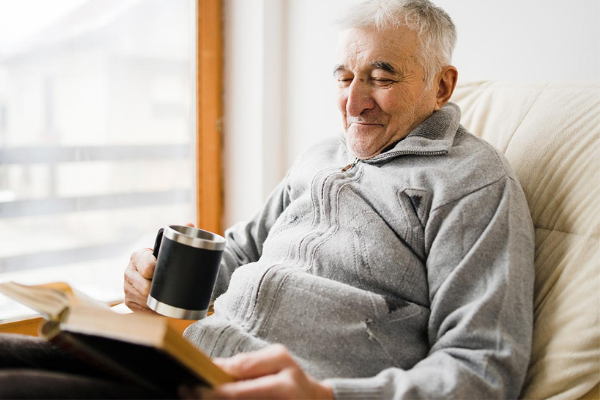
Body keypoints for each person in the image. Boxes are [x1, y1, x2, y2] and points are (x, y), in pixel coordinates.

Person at [0, 0, 534, 399]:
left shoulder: (472, 180)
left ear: (442, 86)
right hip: (190, 354)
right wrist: (155, 272)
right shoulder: (322, 155)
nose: (353, 100)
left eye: (381, 76)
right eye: (345, 77)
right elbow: (239, 252)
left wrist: (326, 396)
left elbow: (482, 367)